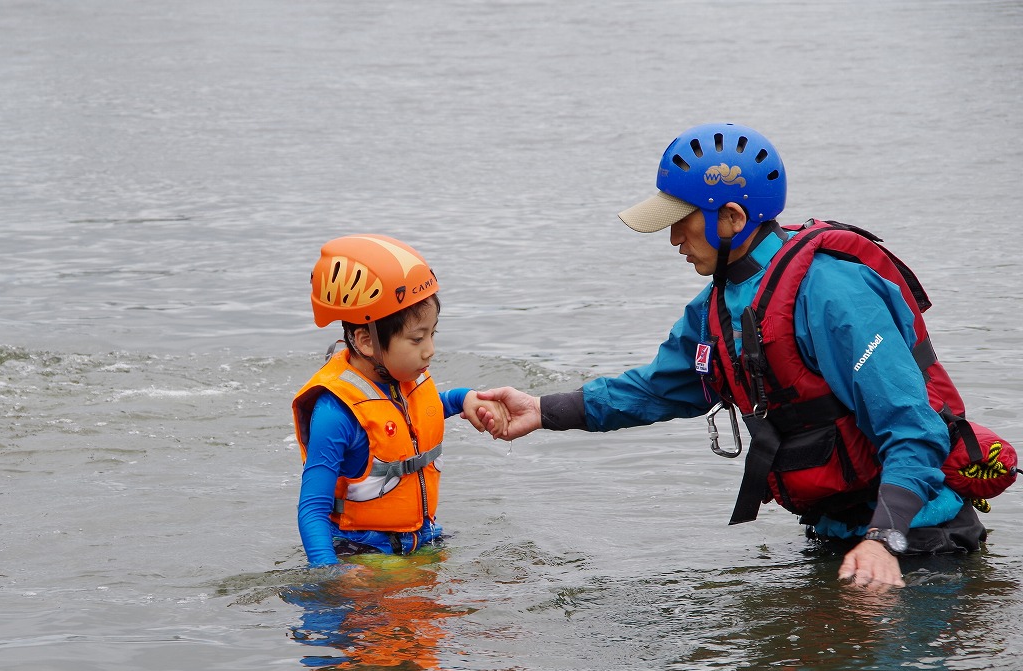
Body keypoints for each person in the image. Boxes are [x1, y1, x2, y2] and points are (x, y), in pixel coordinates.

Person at [478, 122, 996, 591]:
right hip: (841, 539)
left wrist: (885, 540)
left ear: (731, 217)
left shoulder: (835, 294)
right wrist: (544, 411)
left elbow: (913, 429)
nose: (674, 237)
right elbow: (656, 388)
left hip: (921, 543)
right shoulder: (716, 307)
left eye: (683, 220)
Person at [293, 234, 507, 567]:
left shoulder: (403, 382)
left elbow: (413, 413)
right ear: (366, 341)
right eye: (417, 338)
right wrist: (330, 574)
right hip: (363, 555)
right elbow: (312, 509)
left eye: (433, 334)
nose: (430, 349)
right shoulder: (335, 414)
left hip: (422, 539)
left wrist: (462, 399)